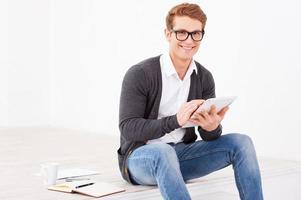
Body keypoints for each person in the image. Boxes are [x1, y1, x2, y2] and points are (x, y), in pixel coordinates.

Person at [117, 3, 263, 200]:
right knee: (163, 151)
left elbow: (208, 135)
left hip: (183, 155)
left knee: (242, 143)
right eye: (182, 33)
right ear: (168, 34)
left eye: (196, 33)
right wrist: (175, 120)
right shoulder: (140, 74)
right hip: (141, 158)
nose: (189, 40)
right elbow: (128, 127)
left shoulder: (204, 77)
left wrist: (212, 127)